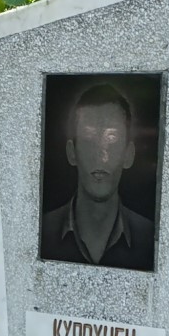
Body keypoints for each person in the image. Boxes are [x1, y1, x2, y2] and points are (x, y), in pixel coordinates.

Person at [39, 81, 157, 269]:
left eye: (112, 139)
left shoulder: (151, 237)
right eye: (88, 140)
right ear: (72, 152)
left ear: (129, 154)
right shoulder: (42, 230)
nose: (101, 156)